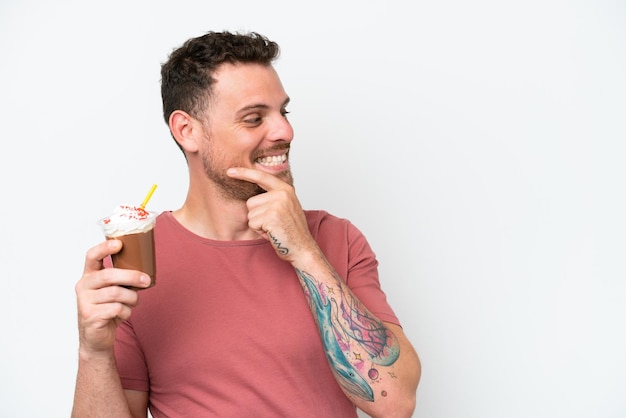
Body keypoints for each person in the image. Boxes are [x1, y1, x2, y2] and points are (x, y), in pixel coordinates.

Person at [72, 30, 421, 418]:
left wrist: (304, 251)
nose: (284, 131)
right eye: (254, 118)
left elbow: (396, 402)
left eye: (283, 113)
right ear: (187, 131)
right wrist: (94, 353)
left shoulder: (336, 238)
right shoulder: (134, 266)